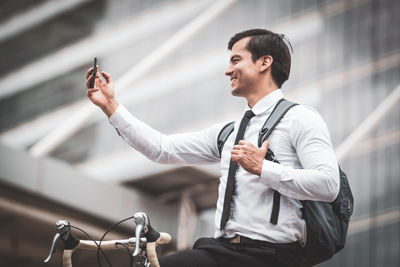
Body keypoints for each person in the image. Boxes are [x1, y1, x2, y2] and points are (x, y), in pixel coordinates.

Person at [86, 29, 340, 267]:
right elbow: (161, 148)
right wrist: (110, 105)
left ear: (264, 62)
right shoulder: (228, 133)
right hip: (221, 251)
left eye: (236, 60)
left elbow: (329, 185)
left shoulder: (301, 118)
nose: (228, 71)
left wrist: (264, 168)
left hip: (273, 256)